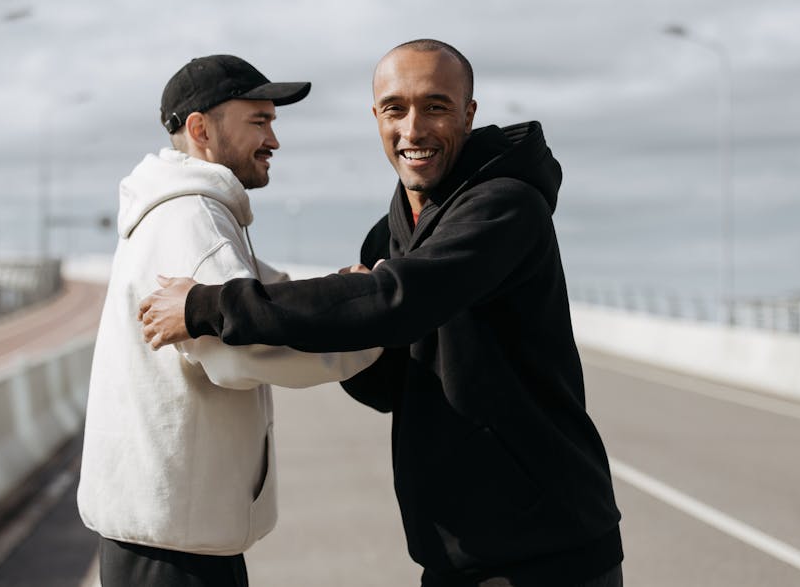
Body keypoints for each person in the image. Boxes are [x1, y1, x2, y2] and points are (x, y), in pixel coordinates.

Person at [138, 40, 623, 587]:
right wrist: (348, 325)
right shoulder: (388, 235)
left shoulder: (505, 206)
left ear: (468, 114)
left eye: (435, 107)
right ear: (376, 118)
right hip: (452, 553)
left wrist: (207, 305)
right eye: (395, 109)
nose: (413, 129)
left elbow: (399, 299)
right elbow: (387, 380)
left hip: (550, 552)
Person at [76, 54, 381, 587]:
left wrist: (344, 290)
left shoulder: (184, 209)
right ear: (201, 129)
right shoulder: (191, 217)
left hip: (168, 538)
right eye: (259, 121)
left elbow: (263, 292)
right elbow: (244, 348)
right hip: (175, 554)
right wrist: (374, 329)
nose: (273, 140)